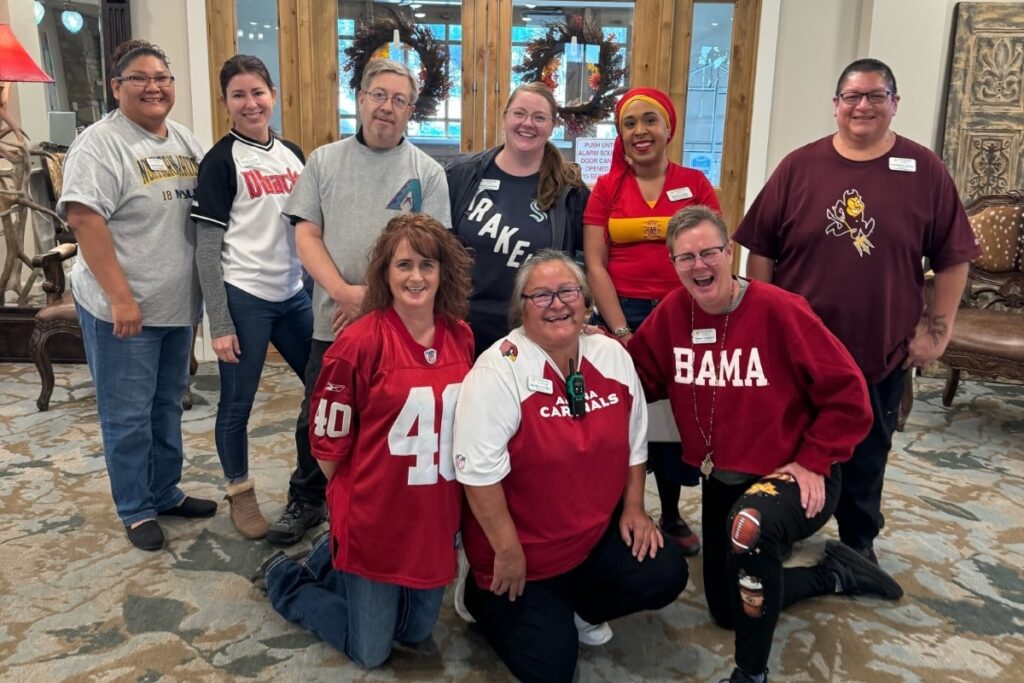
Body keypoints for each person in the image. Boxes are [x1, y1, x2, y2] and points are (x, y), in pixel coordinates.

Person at [628, 206, 904, 683]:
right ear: (673, 264)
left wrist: (815, 460)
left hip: (793, 476)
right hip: (724, 477)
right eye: (685, 257)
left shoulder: (780, 309)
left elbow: (849, 394)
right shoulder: (674, 312)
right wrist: (586, 350)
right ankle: (834, 574)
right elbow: (637, 374)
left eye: (709, 252)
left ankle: (750, 673)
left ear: (728, 252)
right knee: (729, 608)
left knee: (750, 528)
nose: (699, 266)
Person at [733, 58, 980, 563]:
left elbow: (955, 258)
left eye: (875, 95)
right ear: (835, 105)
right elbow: (761, 249)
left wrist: (938, 332)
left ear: (894, 103)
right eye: (852, 96)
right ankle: (783, 526)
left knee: (867, 451)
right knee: (787, 443)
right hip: (798, 350)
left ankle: (857, 540)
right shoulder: (799, 166)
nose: (862, 106)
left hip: (878, 347)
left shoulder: (924, 171)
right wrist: (762, 322)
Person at [452, 250, 687, 683]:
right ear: (520, 307)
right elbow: (478, 474)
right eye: (540, 295)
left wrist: (634, 508)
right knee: (553, 670)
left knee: (665, 572)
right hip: (520, 553)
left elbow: (635, 440)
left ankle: (576, 605)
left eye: (568, 291)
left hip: (589, 540)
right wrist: (506, 551)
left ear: (586, 301)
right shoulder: (497, 371)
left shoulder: (610, 355)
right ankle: (476, 592)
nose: (557, 304)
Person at [255, 214, 474, 668]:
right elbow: (327, 444)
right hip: (377, 515)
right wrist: (359, 498)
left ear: (443, 272)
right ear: (384, 274)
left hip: (433, 511)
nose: (416, 277)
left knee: (413, 632)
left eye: (427, 265)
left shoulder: (461, 335)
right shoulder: (358, 342)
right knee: (371, 651)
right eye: (404, 265)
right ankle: (286, 577)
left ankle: (328, 555)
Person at [268, 58, 452, 546]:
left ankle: (372, 496)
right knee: (319, 413)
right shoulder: (325, 162)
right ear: (361, 99)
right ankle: (307, 498)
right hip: (335, 320)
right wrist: (344, 292)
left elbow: (432, 254)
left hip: (401, 327)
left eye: (399, 100)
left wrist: (373, 300)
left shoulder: (428, 173)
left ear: (411, 110)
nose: (387, 107)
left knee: (384, 416)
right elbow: (306, 235)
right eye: (378, 95)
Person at [58, 40, 215, 551]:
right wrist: (121, 297)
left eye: (163, 77)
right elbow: (84, 218)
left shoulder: (185, 140)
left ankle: (164, 491)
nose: (155, 87)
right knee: (127, 414)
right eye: (141, 78)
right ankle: (135, 507)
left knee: (166, 406)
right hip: (122, 309)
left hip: (173, 307)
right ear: (116, 87)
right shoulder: (100, 143)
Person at [583, 87, 720, 556]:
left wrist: (691, 309)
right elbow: (595, 263)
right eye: (629, 123)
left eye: (649, 121)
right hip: (622, 314)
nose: (640, 132)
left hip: (683, 313)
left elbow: (712, 255)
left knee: (672, 416)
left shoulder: (695, 183)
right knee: (622, 415)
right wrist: (621, 330)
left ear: (668, 128)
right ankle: (619, 507)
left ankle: (672, 511)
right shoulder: (606, 188)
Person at [191, 55, 312, 540]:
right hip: (245, 297)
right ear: (226, 104)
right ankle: (239, 492)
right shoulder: (220, 161)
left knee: (324, 387)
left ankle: (314, 486)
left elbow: (306, 228)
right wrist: (218, 322)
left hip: (293, 294)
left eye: (258, 92)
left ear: (273, 95)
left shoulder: (293, 154)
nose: (250, 103)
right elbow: (205, 249)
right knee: (238, 403)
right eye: (238, 95)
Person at [446, 82, 589, 356]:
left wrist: (583, 314)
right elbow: (437, 248)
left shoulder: (570, 191)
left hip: (536, 332)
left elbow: (585, 261)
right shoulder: (463, 175)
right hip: (463, 330)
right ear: (505, 117)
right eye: (519, 113)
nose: (528, 124)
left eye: (539, 117)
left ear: (552, 126)